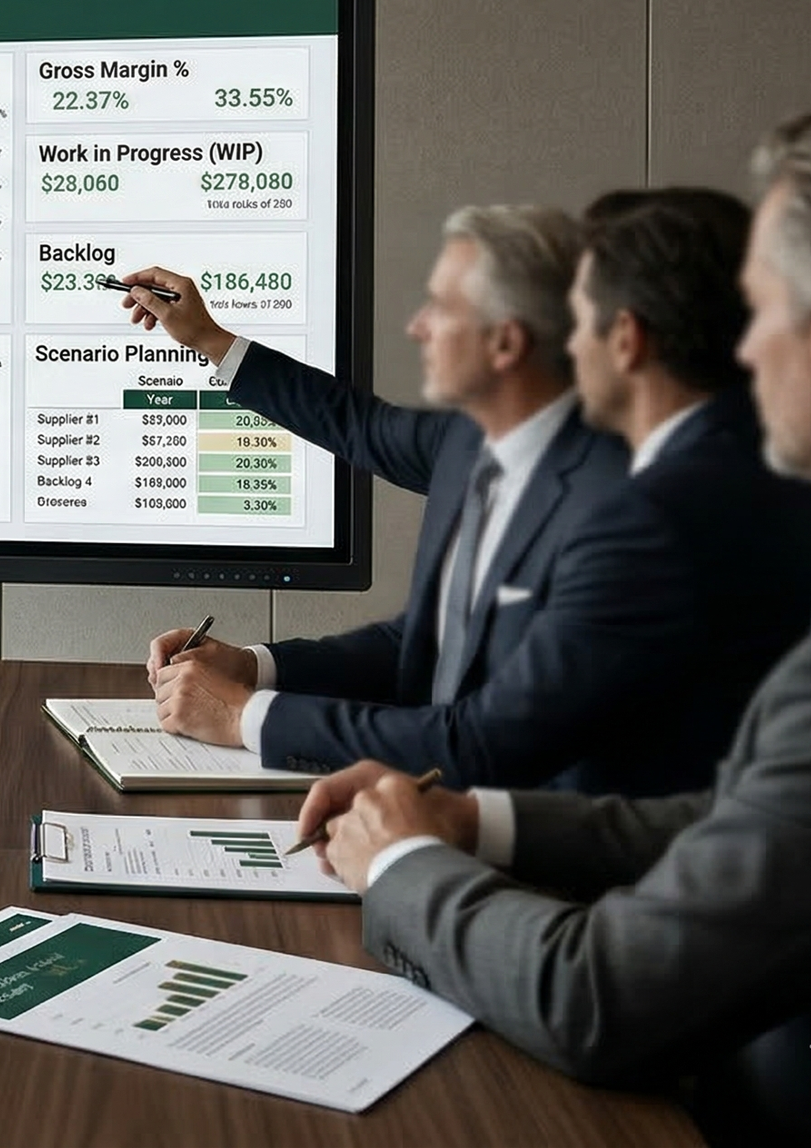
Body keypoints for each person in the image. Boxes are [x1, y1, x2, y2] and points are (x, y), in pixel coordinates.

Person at [302, 98, 811, 1146]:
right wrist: (473, 821)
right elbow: (756, 812)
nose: (740, 351)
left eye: (757, 312)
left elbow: (600, 999)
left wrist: (401, 866)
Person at [115, 205, 641, 787]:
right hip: (421, 806)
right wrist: (254, 667)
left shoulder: (615, 509)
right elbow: (419, 641)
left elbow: (486, 739)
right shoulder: (468, 443)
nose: (417, 326)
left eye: (440, 307)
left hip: (527, 829)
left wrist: (246, 716)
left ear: (505, 343)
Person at [556, 188, 811, 783]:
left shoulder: (653, 514)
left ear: (626, 338)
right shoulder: (764, 469)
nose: (569, 344)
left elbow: (518, 733)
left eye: (579, 320)